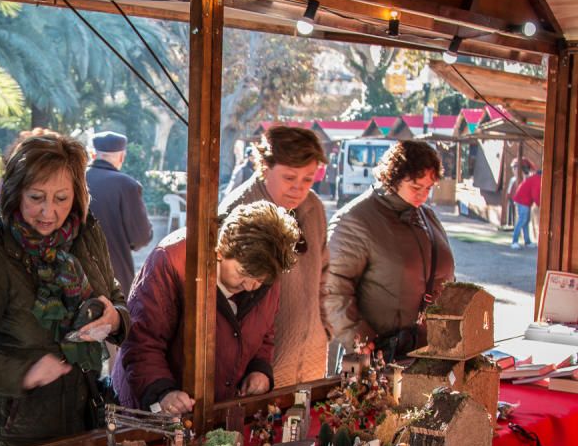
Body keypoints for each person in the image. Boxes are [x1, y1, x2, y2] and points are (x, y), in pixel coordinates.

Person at [0, 133, 129, 446]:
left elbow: (114, 295)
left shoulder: (86, 233)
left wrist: (115, 320)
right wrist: (24, 374)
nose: (49, 213)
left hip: (84, 420)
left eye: (61, 198)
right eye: (36, 197)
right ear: (15, 193)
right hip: (17, 435)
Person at [112, 201, 300, 415]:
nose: (249, 286)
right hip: (151, 410)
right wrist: (162, 392)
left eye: (259, 280)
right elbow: (142, 340)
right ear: (222, 249)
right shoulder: (172, 261)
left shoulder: (266, 269)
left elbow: (265, 334)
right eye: (242, 273)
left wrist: (259, 370)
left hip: (216, 411)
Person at [322, 140, 455, 361]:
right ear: (392, 179)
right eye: (415, 187)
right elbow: (332, 287)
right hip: (376, 352)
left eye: (428, 188)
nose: (423, 195)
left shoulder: (426, 216)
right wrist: (357, 336)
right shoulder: (355, 220)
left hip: (425, 349)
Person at [219, 126, 330, 386]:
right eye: (289, 178)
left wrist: (324, 328)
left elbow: (325, 275)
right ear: (265, 167)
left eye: (308, 179)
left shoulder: (313, 207)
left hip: (312, 355)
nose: (298, 189)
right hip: (259, 366)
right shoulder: (238, 211)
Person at [86, 130, 154, 297]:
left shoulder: (75, 179)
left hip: (73, 274)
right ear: (122, 157)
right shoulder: (127, 185)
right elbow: (141, 237)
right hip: (115, 276)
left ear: (93, 154)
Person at [511, 166, 541, 250]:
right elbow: (535, 194)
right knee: (522, 220)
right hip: (522, 201)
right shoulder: (538, 179)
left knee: (525, 221)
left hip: (523, 200)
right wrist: (540, 205)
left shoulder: (535, 178)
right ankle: (514, 242)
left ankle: (527, 241)